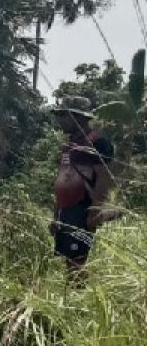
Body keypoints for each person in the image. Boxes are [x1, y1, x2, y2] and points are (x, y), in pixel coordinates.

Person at [51, 95, 117, 272]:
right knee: (69, 259)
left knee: (77, 261)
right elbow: (62, 178)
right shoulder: (70, 145)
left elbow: (104, 179)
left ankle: (77, 295)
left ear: (78, 117)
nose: (60, 120)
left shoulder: (97, 142)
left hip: (82, 208)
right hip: (67, 209)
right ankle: (73, 296)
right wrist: (56, 215)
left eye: (64, 115)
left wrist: (93, 212)